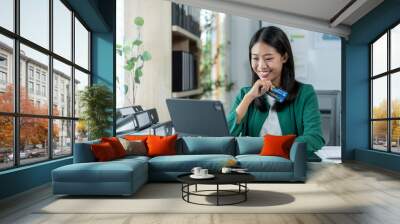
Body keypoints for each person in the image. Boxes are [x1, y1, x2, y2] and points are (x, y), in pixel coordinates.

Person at [227, 26, 325, 160]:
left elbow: (315, 137)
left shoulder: (305, 93)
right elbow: (226, 136)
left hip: (289, 165)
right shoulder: (245, 94)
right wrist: (248, 98)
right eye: (255, 58)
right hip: (254, 166)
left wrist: (277, 147)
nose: (261, 66)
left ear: (284, 57)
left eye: (268, 58)